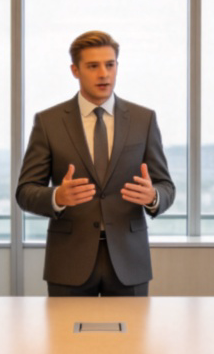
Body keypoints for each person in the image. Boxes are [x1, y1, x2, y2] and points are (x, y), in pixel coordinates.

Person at [15, 30, 175, 296]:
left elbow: (166, 186)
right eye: (93, 66)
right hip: (69, 260)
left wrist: (153, 196)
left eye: (110, 65)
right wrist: (57, 196)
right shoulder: (49, 122)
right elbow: (25, 191)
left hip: (129, 258)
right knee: (66, 339)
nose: (104, 74)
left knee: (132, 338)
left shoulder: (143, 119)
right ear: (75, 70)